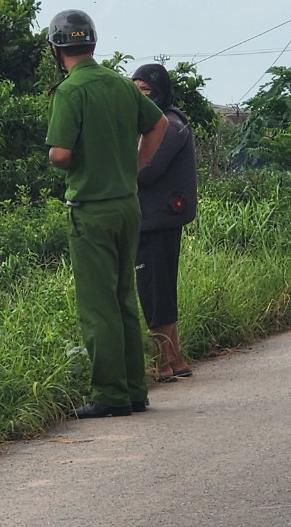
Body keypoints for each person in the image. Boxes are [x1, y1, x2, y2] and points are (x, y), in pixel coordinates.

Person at [45, 9, 168, 419]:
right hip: (128, 205)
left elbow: (60, 154)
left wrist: (61, 157)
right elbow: (159, 124)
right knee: (124, 298)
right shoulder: (119, 83)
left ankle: (110, 395)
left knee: (98, 306)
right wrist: (135, 166)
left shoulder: (70, 91)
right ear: (91, 44)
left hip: (91, 210)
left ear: (58, 49)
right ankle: (135, 390)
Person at [131, 63, 197, 381]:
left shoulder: (167, 125)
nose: (140, 99)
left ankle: (163, 363)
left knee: (154, 290)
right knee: (162, 289)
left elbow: (147, 170)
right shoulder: (171, 121)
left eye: (145, 92)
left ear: (159, 91)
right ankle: (174, 360)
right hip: (162, 218)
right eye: (135, 92)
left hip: (155, 220)